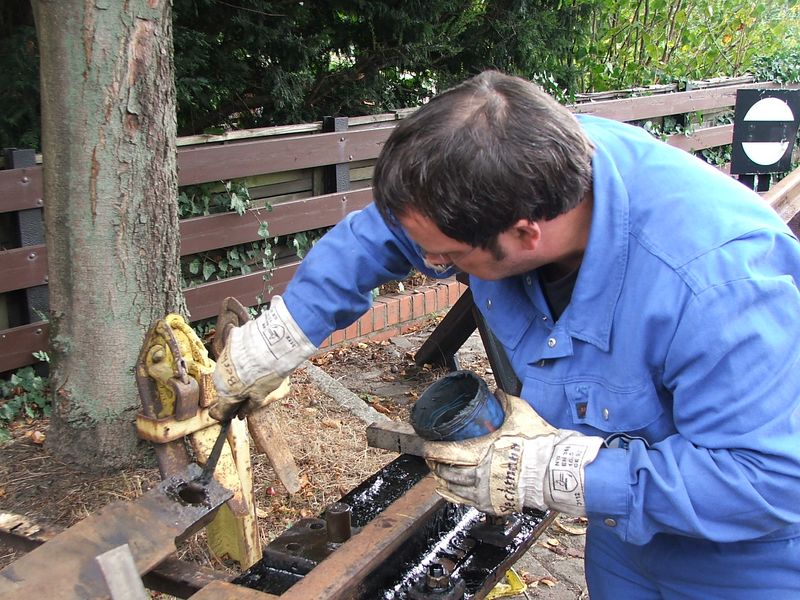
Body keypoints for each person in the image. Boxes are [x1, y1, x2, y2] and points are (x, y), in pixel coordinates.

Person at [209, 70, 800, 598]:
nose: (434, 263)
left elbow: (769, 481)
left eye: (449, 259)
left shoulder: (719, 288)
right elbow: (388, 234)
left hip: (748, 563)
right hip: (626, 540)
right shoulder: (518, 165)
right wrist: (282, 334)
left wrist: (558, 473)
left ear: (524, 235)